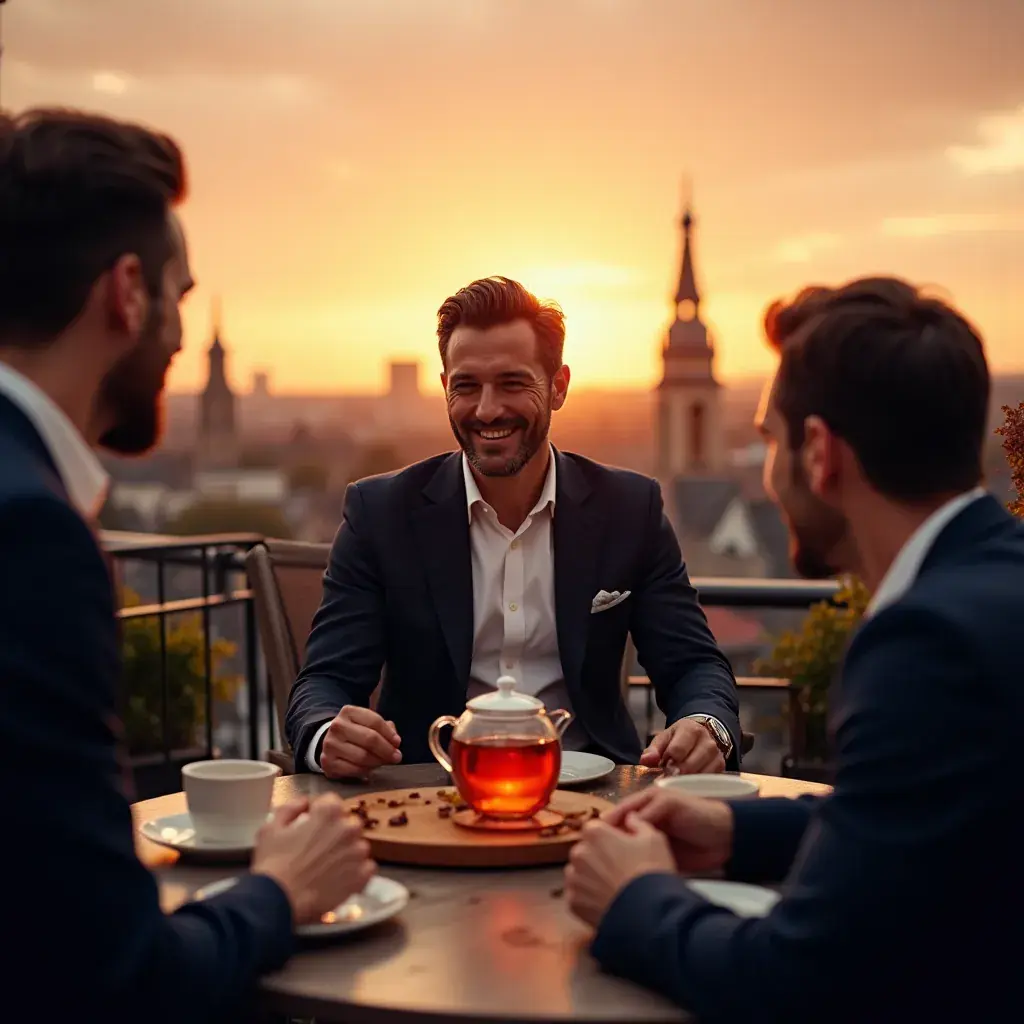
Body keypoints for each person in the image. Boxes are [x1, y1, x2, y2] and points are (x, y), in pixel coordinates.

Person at [563, 276, 1024, 1022]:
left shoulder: (927, 649)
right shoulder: (996, 583)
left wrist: (633, 898)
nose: (766, 469)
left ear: (819, 453)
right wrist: (733, 831)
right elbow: (917, 820)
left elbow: (796, 983)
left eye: (770, 438)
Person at [0, 109, 374, 1022]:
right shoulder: (32, 534)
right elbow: (114, 978)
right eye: (179, 293)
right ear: (127, 294)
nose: (176, 337)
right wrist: (281, 890)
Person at [287, 276, 740, 778]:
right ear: (444, 389)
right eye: (466, 386)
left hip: (594, 799)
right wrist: (328, 734)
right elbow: (324, 682)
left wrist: (707, 726)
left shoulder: (629, 509)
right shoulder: (380, 513)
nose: (487, 410)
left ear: (559, 386)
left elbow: (694, 666)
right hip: (425, 797)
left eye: (511, 383)